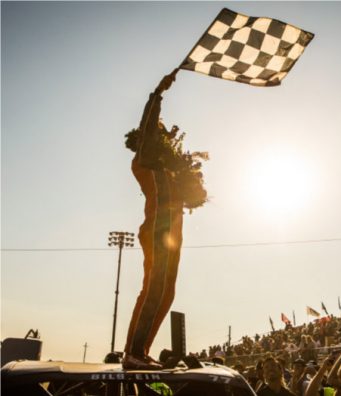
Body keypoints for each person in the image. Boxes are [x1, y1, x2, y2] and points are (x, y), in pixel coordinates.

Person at [122, 70, 207, 370]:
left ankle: (140, 350)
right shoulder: (143, 161)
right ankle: (132, 352)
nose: (162, 135)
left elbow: (194, 196)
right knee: (154, 287)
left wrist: (196, 191)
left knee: (167, 292)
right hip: (158, 230)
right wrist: (157, 94)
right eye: (157, 133)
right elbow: (147, 128)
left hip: (175, 234)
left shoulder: (170, 171)